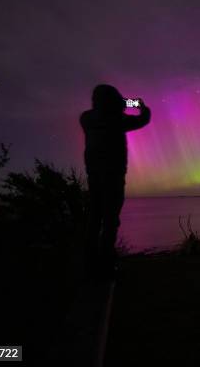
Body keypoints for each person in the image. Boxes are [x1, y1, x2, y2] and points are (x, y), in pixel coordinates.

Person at [80, 84, 151, 277]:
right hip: (113, 177)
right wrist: (138, 104)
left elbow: (104, 110)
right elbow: (144, 118)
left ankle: (88, 263)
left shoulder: (86, 119)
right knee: (110, 221)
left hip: (93, 177)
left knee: (94, 219)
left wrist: (119, 103)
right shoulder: (118, 119)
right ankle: (105, 264)